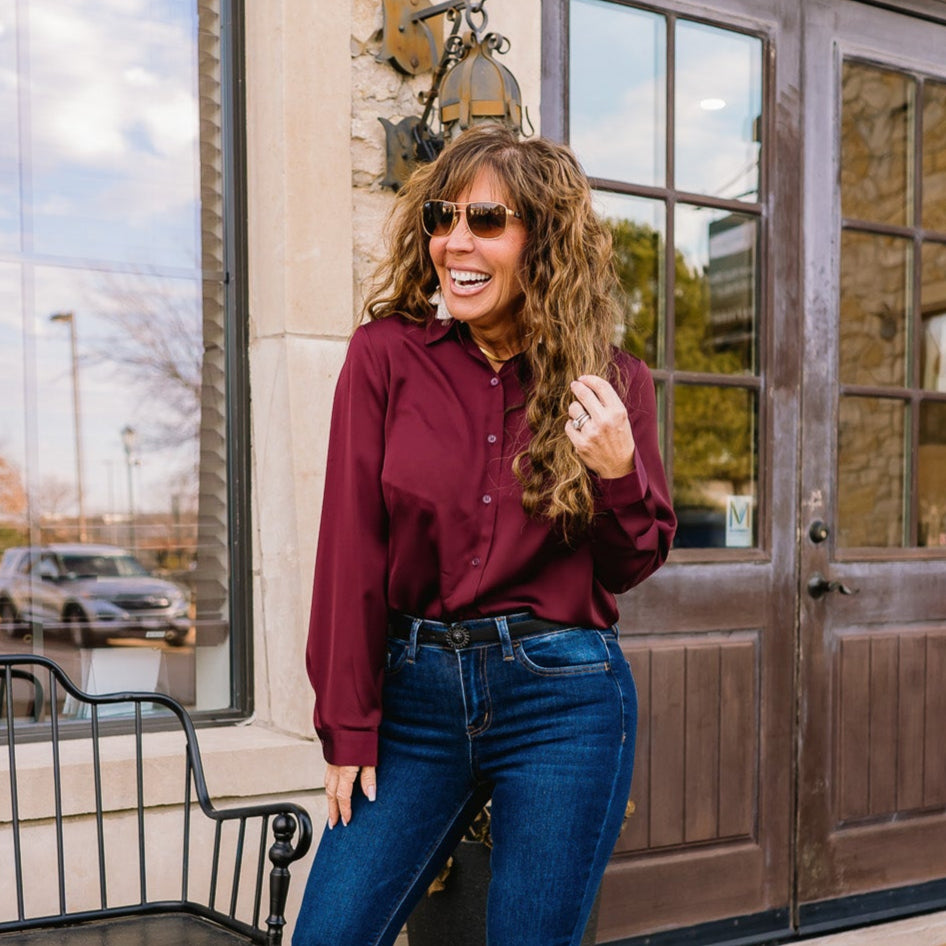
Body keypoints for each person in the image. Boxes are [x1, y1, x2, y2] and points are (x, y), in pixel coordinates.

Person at [293, 124, 676, 946]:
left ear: (543, 241)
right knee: (330, 933)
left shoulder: (613, 382)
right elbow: (348, 554)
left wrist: (618, 469)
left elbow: (630, 562)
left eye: (487, 221)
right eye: (442, 217)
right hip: (414, 701)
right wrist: (347, 722)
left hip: (562, 699)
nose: (454, 243)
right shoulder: (385, 359)